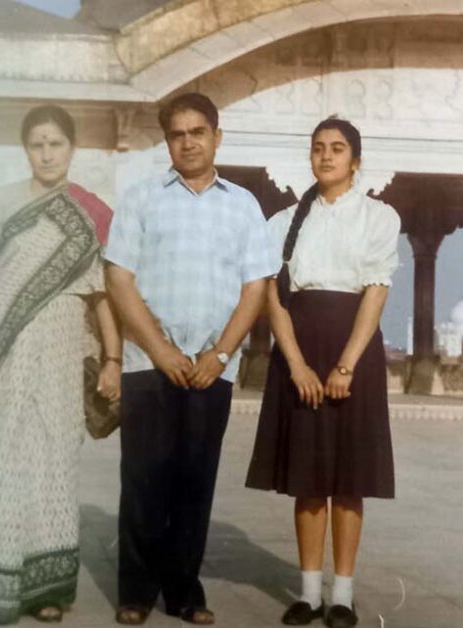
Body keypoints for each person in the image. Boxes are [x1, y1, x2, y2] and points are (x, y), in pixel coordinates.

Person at [0, 104, 122, 624]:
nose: (47, 154)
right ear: (27, 150)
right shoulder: (0, 202)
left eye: (56, 144)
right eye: (37, 144)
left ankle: (47, 590)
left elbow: (102, 295)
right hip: (4, 345)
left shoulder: (91, 214)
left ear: (71, 148)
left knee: (52, 458)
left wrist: (111, 358)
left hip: (63, 348)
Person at [104, 92, 279, 626]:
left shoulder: (243, 204)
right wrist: (159, 349)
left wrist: (221, 352)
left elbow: (255, 287)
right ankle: (135, 592)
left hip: (211, 366)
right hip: (147, 363)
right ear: (167, 141)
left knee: (194, 480)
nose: (188, 142)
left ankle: (183, 593)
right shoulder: (141, 198)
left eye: (197, 132)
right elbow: (118, 279)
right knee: (143, 478)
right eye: (177, 134)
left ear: (216, 136)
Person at [245, 117, 401, 628]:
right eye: (318, 149)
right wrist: (296, 365)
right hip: (301, 353)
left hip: (353, 351)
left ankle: (343, 595)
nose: (326, 157)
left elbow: (375, 292)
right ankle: (309, 593)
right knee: (308, 479)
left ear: (356, 160)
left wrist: (345, 365)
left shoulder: (379, 217)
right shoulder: (284, 221)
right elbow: (275, 298)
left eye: (337, 149)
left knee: (348, 479)